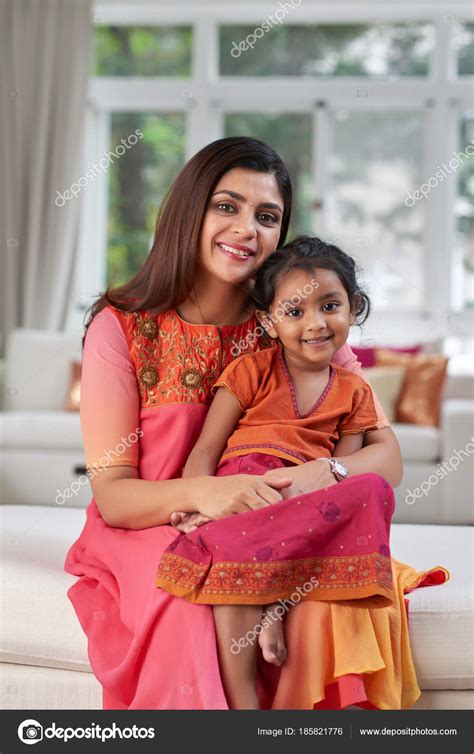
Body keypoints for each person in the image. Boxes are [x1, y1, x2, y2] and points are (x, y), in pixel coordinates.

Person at [64, 136, 449, 711]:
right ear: (189, 210)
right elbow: (115, 497)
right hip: (149, 526)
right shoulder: (121, 327)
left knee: (330, 607)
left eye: (266, 216)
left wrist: (326, 470)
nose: (246, 228)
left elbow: (384, 457)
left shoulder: (295, 323)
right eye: (227, 206)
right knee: (192, 595)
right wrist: (212, 496)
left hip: (275, 524)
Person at [156, 236, 400, 709]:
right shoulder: (251, 370)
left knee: (373, 488)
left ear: (355, 307)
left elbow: (341, 472)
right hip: (245, 490)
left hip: (306, 504)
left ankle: (276, 599)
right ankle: (245, 708)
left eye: (330, 305)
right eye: (294, 312)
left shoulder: (354, 390)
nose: (315, 323)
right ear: (269, 321)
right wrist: (196, 500)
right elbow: (206, 450)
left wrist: (320, 478)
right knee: (232, 549)